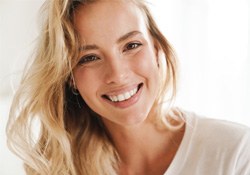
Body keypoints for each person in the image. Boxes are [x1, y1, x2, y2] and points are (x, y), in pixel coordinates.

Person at [6, 0, 250, 175]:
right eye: (89, 57)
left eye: (131, 45)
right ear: (70, 76)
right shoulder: (58, 168)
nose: (118, 74)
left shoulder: (236, 152)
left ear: (156, 49)